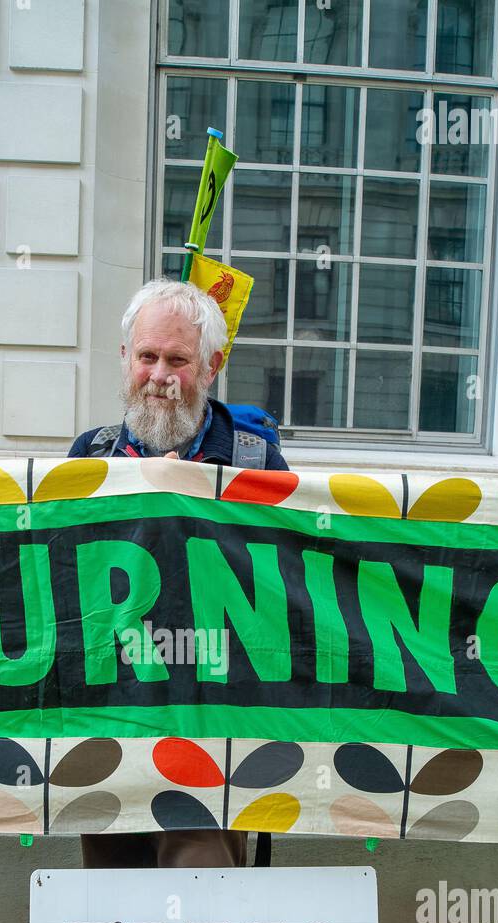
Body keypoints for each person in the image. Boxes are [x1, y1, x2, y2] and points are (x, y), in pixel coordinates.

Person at [69, 277, 289, 871]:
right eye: (147, 356)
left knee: (201, 888)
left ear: (212, 365)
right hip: (110, 720)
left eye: (178, 360)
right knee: (110, 896)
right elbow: (63, 587)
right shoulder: (90, 456)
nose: (160, 375)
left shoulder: (254, 458)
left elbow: (288, 586)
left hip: (214, 727)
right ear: (125, 359)